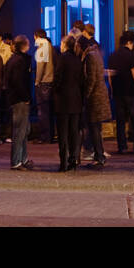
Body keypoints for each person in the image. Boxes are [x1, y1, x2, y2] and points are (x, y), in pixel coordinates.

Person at [79, 28, 112, 168]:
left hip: (94, 98)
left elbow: (91, 78)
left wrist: (85, 95)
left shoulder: (90, 56)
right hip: (99, 95)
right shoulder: (96, 53)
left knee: (94, 128)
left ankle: (99, 156)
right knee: (95, 128)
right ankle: (99, 155)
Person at [108, 31, 134, 155]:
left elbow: (110, 75)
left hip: (118, 91)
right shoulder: (131, 55)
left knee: (120, 121)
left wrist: (112, 90)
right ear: (129, 42)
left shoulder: (113, 55)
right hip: (130, 91)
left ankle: (122, 146)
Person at [52, 35, 83, 171]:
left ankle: (63, 162)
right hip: (76, 100)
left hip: (63, 101)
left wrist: (54, 90)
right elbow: (82, 80)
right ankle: (73, 160)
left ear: (65, 45)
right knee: (73, 133)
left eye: (61, 43)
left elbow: (58, 78)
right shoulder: (78, 60)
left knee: (63, 134)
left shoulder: (62, 59)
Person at [5, 35, 34, 169]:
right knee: (20, 131)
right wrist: (26, 97)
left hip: (16, 98)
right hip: (20, 99)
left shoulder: (14, 60)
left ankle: (23, 158)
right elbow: (18, 82)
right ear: (24, 46)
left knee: (23, 130)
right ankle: (17, 160)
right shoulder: (20, 61)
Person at [33, 29, 55, 144]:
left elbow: (40, 66)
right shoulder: (50, 46)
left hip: (44, 82)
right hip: (51, 81)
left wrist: (37, 81)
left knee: (42, 111)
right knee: (49, 111)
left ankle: (44, 137)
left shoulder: (42, 47)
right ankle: (50, 135)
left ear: (36, 36)